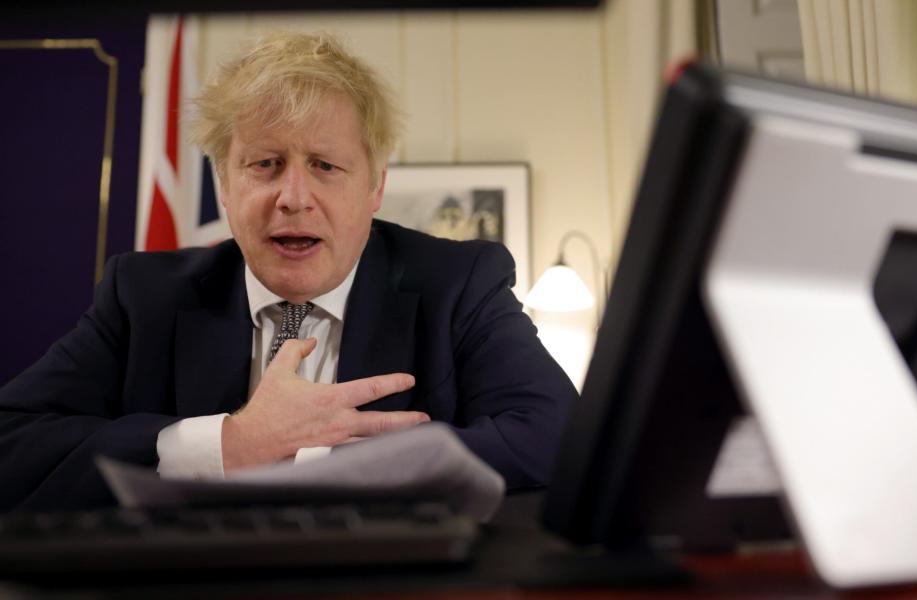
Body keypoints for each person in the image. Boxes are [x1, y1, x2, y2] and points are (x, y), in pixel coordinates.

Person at [0, 33, 575, 511]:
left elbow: (558, 439)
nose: (293, 197)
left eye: (325, 166)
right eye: (265, 164)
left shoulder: (460, 282)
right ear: (225, 183)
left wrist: (318, 462)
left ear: (374, 185)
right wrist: (228, 445)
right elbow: (13, 443)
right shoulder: (142, 295)